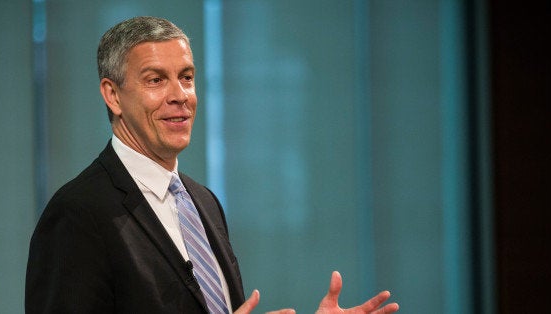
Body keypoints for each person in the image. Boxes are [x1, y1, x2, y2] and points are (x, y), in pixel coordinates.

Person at [25, 16, 399, 314]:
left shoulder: (202, 202)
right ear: (112, 95)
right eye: (156, 80)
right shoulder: (77, 213)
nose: (179, 96)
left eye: (186, 78)